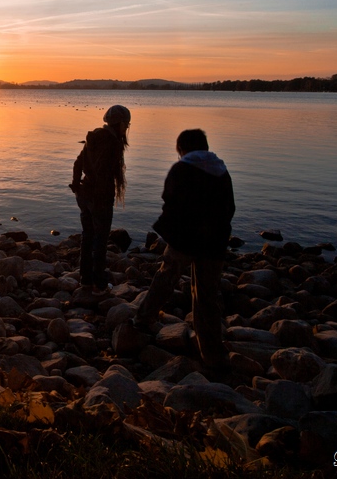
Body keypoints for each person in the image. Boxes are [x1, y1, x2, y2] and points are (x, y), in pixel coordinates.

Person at [134, 128, 235, 371]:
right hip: (215, 243)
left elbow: (170, 202)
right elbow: (229, 208)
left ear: (182, 149)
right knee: (206, 296)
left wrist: (169, 230)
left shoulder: (181, 169)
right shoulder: (221, 171)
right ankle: (211, 354)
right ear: (206, 146)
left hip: (185, 239)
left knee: (166, 277)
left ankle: (143, 319)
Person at [70, 104, 130, 291]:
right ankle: (99, 285)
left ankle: (85, 280)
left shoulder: (93, 137)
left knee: (87, 237)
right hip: (99, 198)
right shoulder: (112, 143)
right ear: (119, 123)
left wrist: (76, 184)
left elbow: (78, 163)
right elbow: (103, 173)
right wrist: (100, 197)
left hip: (84, 193)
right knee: (101, 241)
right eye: (126, 124)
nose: (127, 128)